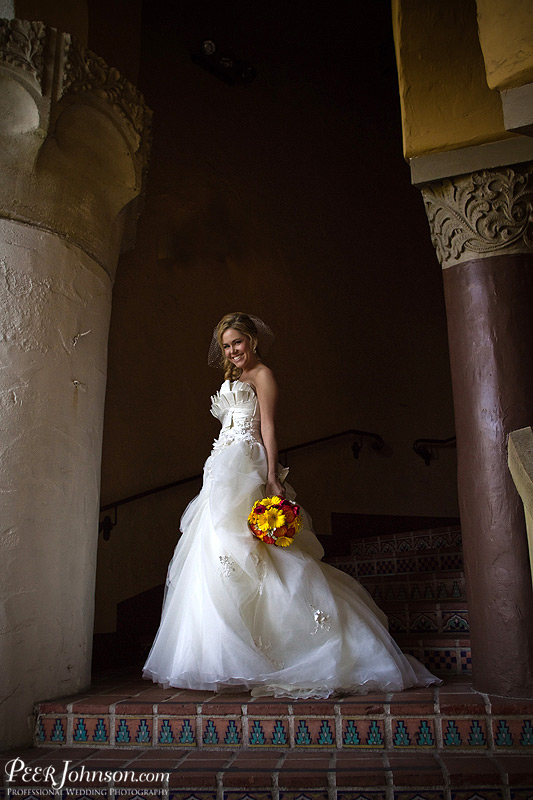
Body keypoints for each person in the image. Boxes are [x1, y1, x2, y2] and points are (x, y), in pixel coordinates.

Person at [142, 312, 440, 697]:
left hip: (246, 465)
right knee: (214, 549)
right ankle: (222, 655)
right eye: (227, 345)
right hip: (220, 466)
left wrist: (269, 477)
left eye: (238, 342)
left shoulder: (263, 375)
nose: (233, 351)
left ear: (252, 340)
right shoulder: (233, 378)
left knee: (257, 552)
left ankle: (296, 646)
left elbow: (267, 426)